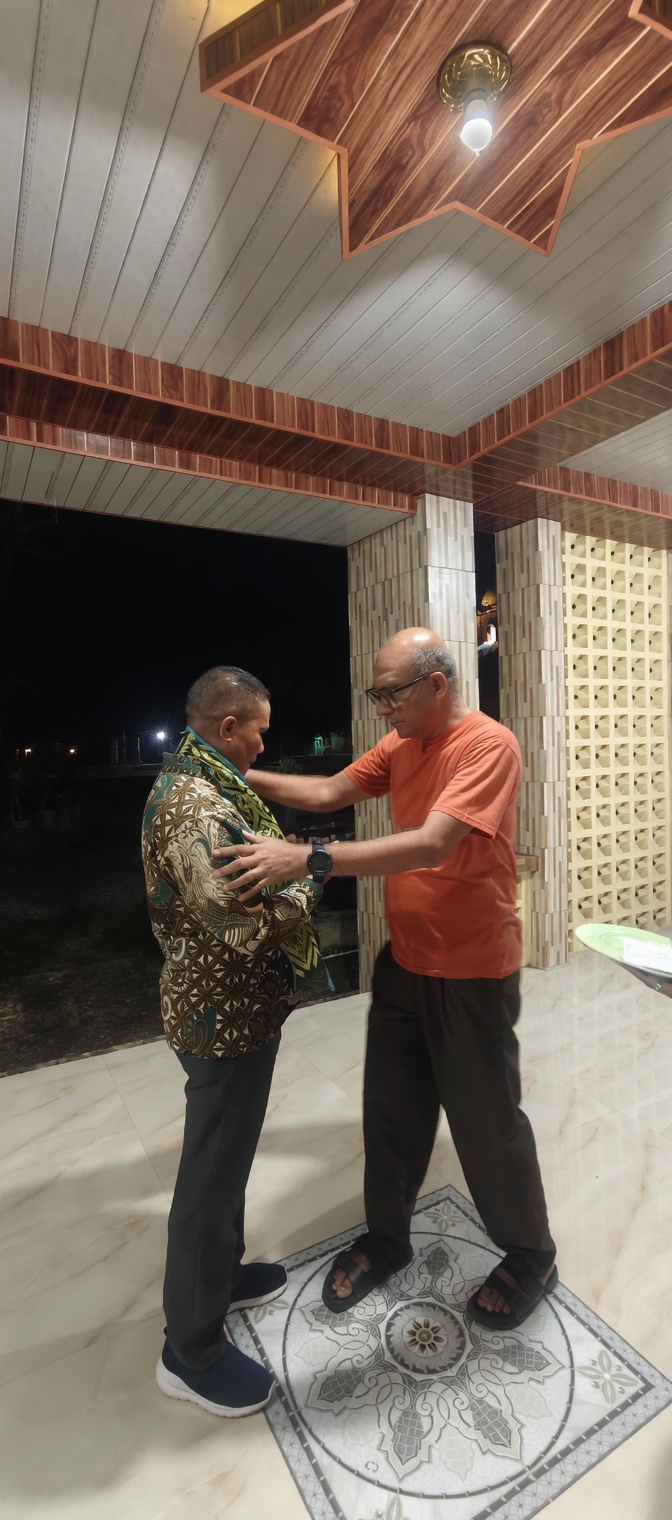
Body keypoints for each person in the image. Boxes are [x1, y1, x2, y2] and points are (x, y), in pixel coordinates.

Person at [214, 629, 557, 1330]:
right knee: (392, 1113)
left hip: (471, 969)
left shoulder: (488, 746)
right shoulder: (403, 744)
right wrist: (231, 773)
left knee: (488, 1125)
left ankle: (531, 1256)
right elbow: (328, 789)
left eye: (391, 694)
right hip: (405, 962)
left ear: (437, 685)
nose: (382, 709)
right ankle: (388, 1239)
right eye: (377, 695)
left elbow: (432, 843)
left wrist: (307, 858)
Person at [142, 665, 331, 1416]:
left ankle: (220, 1277)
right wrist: (310, 877)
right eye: (258, 732)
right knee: (209, 1180)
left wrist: (286, 867)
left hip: (238, 1012)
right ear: (228, 728)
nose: (262, 745)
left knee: (230, 1161)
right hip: (218, 1020)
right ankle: (189, 1351)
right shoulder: (194, 806)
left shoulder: (211, 785)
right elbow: (242, 927)